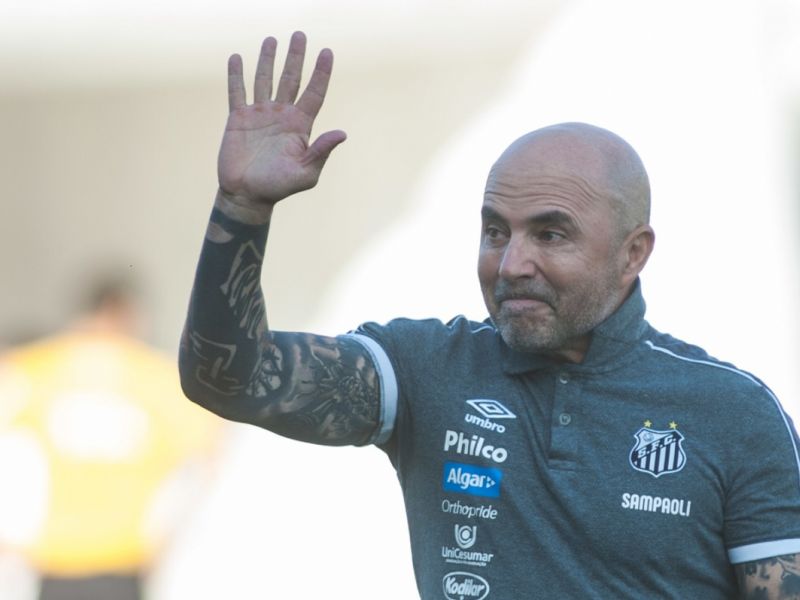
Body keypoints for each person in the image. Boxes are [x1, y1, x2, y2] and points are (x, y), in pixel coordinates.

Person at [179, 31, 800, 599]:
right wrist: (242, 208)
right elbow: (229, 379)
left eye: (551, 234)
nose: (512, 264)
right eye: (496, 231)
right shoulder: (426, 370)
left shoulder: (734, 413)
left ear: (632, 253)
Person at [0, 272, 221, 600]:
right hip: (124, 556)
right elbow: (210, 455)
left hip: (59, 556)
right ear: (122, 313)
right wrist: (171, 536)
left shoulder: (41, 366)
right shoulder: (155, 375)